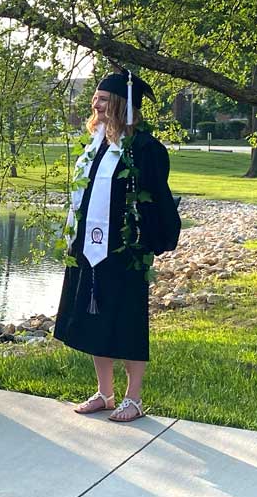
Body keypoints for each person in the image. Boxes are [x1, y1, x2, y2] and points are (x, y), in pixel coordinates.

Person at [55, 69, 180, 423]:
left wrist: (152, 240)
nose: (95, 103)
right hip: (89, 245)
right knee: (96, 317)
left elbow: (157, 198)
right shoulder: (94, 144)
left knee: (126, 319)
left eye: (104, 99)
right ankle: (104, 392)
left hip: (126, 248)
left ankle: (134, 398)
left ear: (122, 105)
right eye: (95, 97)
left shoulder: (145, 148)